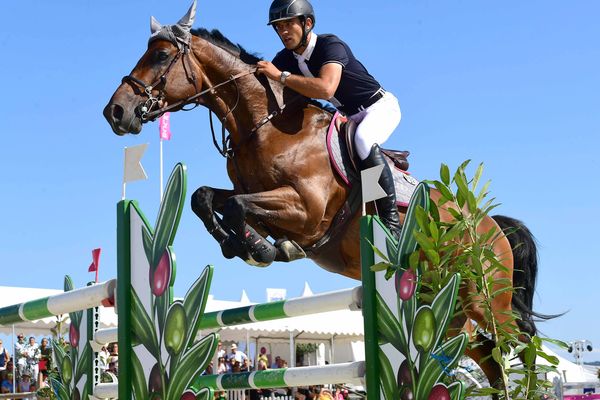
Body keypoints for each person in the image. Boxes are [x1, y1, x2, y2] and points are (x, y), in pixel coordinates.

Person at [257, 0, 402, 238]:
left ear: (308, 23)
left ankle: (391, 222)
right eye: (278, 27)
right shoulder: (285, 58)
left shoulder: (330, 45)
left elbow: (326, 89)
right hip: (347, 117)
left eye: (288, 24)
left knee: (364, 140)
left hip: (379, 108)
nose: (283, 31)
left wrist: (281, 76)